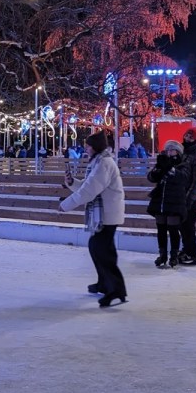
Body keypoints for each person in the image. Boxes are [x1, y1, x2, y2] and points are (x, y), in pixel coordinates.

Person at [59, 130, 127, 308]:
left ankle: (116, 289)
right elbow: (89, 186)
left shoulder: (104, 163)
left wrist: (65, 205)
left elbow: (89, 191)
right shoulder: (98, 162)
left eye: (88, 146)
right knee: (99, 248)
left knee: (101, 250)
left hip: (108, 214)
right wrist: (72, 182)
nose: (86, 149)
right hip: (106, 213)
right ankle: (105, 284)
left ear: (95, 147)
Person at [147, 140, 190, 268]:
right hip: (160, 201)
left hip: (175, 201)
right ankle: (162, 254)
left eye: (172, 150)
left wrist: (169, 168)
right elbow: (151, 178)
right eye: (167, 150)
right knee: (160, 228)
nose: (169, 152)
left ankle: (174, 255)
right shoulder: (163, 162)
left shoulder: (183, 164)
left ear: (178, 152)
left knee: (173, 229)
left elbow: (184, 178)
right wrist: (158, 168)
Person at [178, 126, 196, 267]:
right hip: (180, 194)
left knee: (188, 225)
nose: (187, 138)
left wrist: (189, 199)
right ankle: (186, 250)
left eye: (191, 137)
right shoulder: (183, 150)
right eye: (187, 135)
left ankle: (192, 254)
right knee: (182, 225)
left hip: (190, 197)